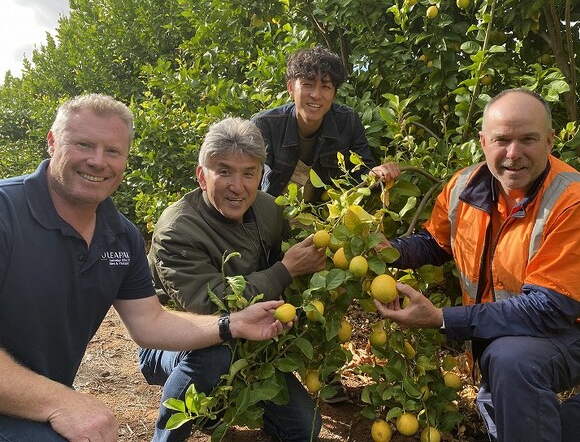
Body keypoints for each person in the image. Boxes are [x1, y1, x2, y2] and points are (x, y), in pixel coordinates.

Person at [0, 94, 295, 442]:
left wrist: (232, 324)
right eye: (83, 144)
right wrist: (62, 402)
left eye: (113, 151)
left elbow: (150, 323)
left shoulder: (119, 235)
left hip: (28, 406)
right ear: (52, 142)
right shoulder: (7, 212)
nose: (98, 161)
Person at [374, 88, 580, 441]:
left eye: (528, 139)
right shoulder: (462, 187)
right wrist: (388, 251)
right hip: (507, 329)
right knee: (515, 428)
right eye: (502, 139)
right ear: (483, 141)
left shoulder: (576, 202)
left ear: (550, 141)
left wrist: (442, 319)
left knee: (512, 361)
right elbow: (437, 243)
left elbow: (551, 308)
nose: (513, 154)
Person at [139, 117, 326, 442]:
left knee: (304, 427)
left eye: (248, 173)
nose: (238, 186)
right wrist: (286, 270)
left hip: (248, 340)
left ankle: (217, 409)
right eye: (224, 171)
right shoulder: (177, 230)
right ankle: (167, 435)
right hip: (173, 340)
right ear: (202, 176)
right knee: (215, 355)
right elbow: (208, 306)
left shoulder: (269, 210)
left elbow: (304, 254)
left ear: (260, 176)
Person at [252, 45, 400, 200]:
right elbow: (247, 182)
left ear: (334, 93)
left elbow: (361, 175)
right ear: (291, 88)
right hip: (271, 218)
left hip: (324, 220)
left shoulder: (348, 122)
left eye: (325, 86)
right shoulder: (264, 126)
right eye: (308, 84)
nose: (316, 95)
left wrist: (377, 174)